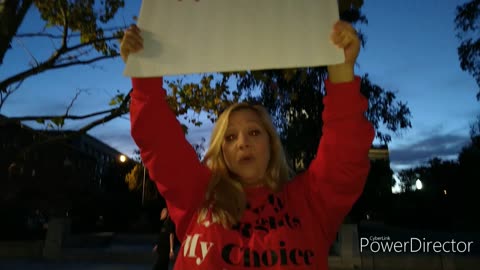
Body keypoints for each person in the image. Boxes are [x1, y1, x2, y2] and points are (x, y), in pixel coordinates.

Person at [121, 19, 375, 269]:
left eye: (254, 132)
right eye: (230, 137)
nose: (243, 142)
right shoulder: (199, 195)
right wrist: (143, 76)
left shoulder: (309, 201)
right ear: (222, 151)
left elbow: (345, 154)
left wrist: (342, 74)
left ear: (271, 144)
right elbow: (158, 141)